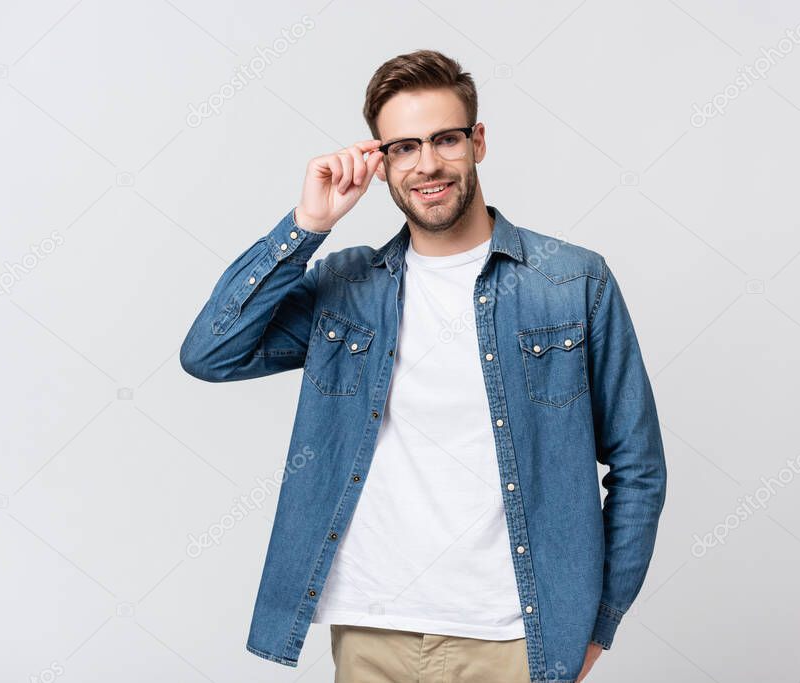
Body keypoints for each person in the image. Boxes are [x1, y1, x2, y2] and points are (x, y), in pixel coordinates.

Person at [180, 49, 667, 683]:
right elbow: (211, 352)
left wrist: (597, 626)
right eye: (404, 147)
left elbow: (639, 467)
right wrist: (306, 226)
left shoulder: (571, 281)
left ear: (479, 141)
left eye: (445, 139)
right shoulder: (345, 287)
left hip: (517, 636)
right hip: (370, 631)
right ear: (380, 164)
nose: (427, 164)